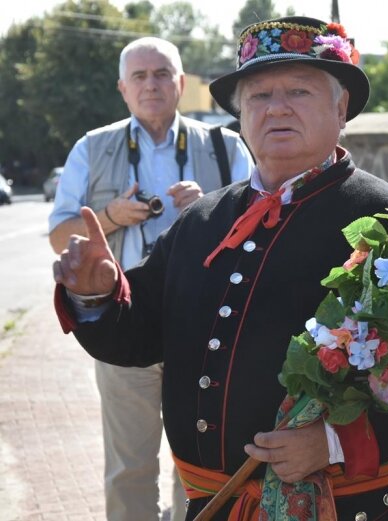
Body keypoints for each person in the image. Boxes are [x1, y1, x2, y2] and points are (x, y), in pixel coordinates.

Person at [52, 17, 388, 521]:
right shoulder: (203, 219)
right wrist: (98, 295)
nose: (276, 108)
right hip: (215, 506)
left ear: (341, 107)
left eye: (298, 91)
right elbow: (139, 337)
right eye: (257, 96)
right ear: (240, 116)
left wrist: (332, 443)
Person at [48, 37, 254, 521]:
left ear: (182, 83)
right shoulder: (92, 147)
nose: (151, 85)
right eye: (139, 76)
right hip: (125, 321)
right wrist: (112, 216)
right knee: (128, 466)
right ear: (122, 88)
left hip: (207, 327)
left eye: (162, 73)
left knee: (204, 465)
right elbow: (60, 236)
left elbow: (262, 217)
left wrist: (210, 206)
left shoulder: (225, 146)